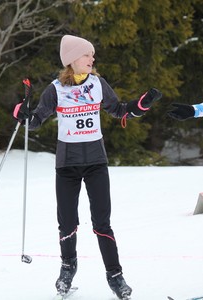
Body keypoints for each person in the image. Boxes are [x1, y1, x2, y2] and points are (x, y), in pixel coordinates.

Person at [13, 35, 162, 299]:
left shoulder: (98, 84)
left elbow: (118, 110)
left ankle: (115, 275)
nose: (92, 59)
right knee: (67, 223)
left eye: (92, 55)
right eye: (87, 55)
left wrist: (142, 105)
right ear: (72, 60)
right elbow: (35, 120)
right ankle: (68, 268)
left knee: (102, 223)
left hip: (96, 163)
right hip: (67, 166)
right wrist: (21, 113)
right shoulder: (55, 89)